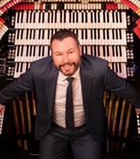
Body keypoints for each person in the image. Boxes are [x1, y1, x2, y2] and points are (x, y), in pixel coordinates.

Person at [0, 29, 140, 159]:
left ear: (79, 50)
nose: (65, 60)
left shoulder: (99, 69)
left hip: (86, 131)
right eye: (59, 54)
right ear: (52, 55)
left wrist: (138, 104)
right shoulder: (38, 70)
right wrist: (1, 100)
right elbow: (16, 87)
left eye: (70, 52)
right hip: (53, 130)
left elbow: (123, 88)